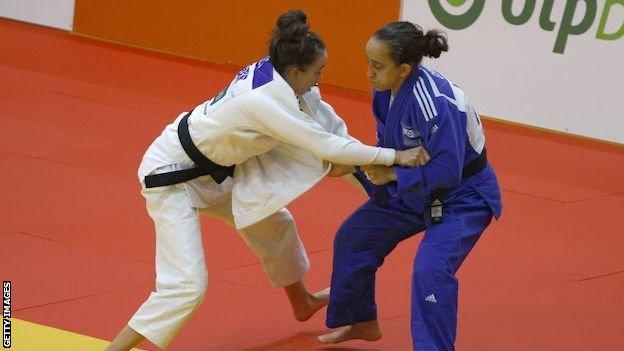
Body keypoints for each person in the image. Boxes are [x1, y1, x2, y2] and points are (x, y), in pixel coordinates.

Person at [104, 11, 429, 351]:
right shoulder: (264, 100)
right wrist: (396, 157)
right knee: (187, 286)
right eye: (318, 72)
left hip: (217, 169)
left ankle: (301, 301)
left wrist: (381, 193)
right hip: (171, 175)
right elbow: (326, 145)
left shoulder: (282, 73)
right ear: (296, 72)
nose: (320, 79)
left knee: (273, 220)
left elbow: (332, 130)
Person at [317, 22, 502, 351]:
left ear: (404, 69)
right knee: (355, 237)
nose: (368, 73)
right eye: (367, 62)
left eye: (377, 66)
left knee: (431, 269)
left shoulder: (434, 103)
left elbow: (446, 170)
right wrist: (368, 165)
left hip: (463, 196)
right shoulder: (386, 90)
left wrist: (390, 176)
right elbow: (392, 145)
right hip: (417, 188)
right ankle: (360, 319)